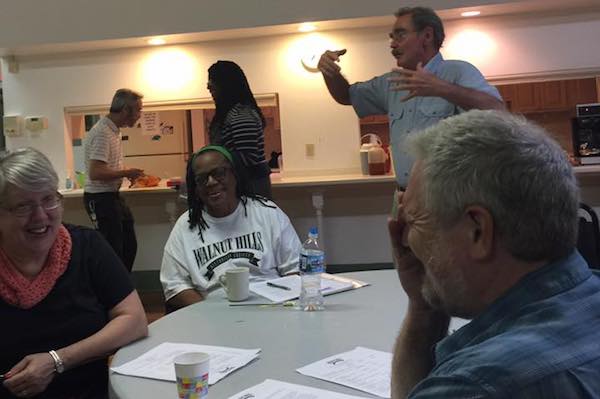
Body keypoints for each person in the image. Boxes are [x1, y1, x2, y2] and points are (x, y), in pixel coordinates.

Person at [389, 110, 600, 398]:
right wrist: (424, 303)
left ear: (477, 231)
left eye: (413, 221)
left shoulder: (474, 386)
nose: (405, 239)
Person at [0, 148, 148, 399]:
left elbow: (134, 321)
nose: (40, 216)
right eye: (23, 206)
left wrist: (58, 360)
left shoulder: (88, 247)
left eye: (48, 199)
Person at [318, 6, 504, 187]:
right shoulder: (392, 83)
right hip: (405, 197)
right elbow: (347, 96)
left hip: (448, 202)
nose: (392, 44)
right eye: (392, 37)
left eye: (401, 35)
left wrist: (442, 88)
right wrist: (330, 72)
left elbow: (497, 112)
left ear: (427, 36)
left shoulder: (458, 71)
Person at [160, 145, 301, 311]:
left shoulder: (267, 213)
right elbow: (174, 285)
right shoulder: (186, 226)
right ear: (196, 187)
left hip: (271, 307)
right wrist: (206, 313)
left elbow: (295, 269)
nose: (211, 182)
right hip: (214, 314)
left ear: (235, 174)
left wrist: (286, 307)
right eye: (202, 179)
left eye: (219, 173)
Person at [83, 88, 145, 272]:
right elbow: (96, 172)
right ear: (126, 110)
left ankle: (122, 290)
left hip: (112, 196)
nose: (140, 115)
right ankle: (113, 296)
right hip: (100, 198)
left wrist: (126, 173)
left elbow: (104, 167)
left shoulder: (113, 130)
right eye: (138, 110)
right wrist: (125, 172)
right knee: (113, 251)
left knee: (128, 246)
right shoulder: (102, 132)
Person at [207, 60, 272, 198]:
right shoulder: (234, 113)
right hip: (244, 188)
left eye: (213, 83)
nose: (209, 88)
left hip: (249, 190)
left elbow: (246, 157)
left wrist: (208, 162)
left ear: (226, 85)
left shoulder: (241, 114)